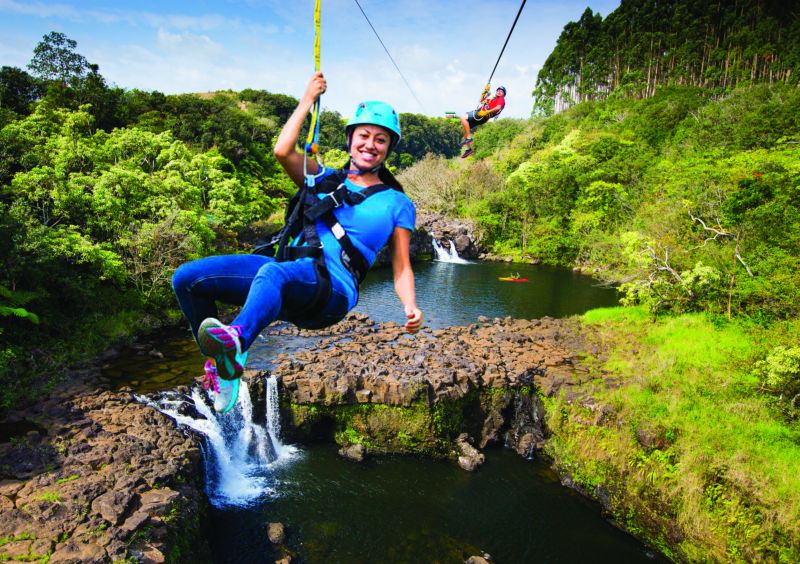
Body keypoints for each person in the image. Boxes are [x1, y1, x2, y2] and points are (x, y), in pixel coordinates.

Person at [172, 71, 424, 413]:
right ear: (350, 139)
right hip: (287, 271)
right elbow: (282, 150)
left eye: (381, 140)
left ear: (389, 149)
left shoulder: (397, 203)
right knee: (187, 280)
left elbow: (402, 266)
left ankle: (236, 340)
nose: (370, 144)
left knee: (274, 275)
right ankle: (225, 366)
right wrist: (307, 99)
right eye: (364, 135)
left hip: (331, 291)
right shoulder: (323, 178)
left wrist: (409, 305)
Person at [454, 85, 506, 158]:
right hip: (482, 116)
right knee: (466, 128)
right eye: (498, 90)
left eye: (501, 91)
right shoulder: (493, 99)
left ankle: (469, 138)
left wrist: (487, 112)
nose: (499, 92)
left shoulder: (501, 99)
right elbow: (481, 101)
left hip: (482, 115)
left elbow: (498, 107)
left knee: (462, 117)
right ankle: (468, 149)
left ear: (504, 94)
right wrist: (484, 93)